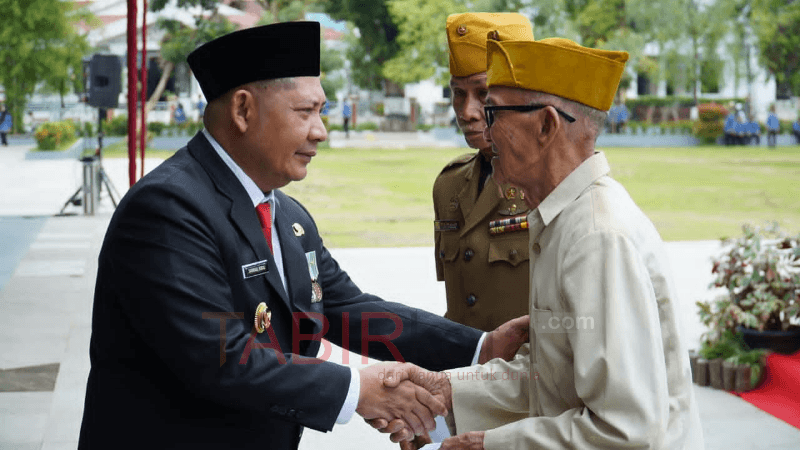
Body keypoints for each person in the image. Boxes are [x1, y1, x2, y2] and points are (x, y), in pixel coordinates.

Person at [77, 22, 529, 450]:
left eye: (322, 111)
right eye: (305, 112)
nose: (321, 131)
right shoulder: (168, 209)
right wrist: (359, 391)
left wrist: (479, 346)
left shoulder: (284, 212)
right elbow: (220, 358)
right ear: (242, 110)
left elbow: (345, 309)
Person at [382, 37, 704, 449]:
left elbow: (625, 430)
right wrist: (447, 393)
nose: (478, 121)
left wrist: (488, 445)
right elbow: (551, 379)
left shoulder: (595, 237)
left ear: (547, 125)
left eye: (493, 110)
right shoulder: (564, 220)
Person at [433, 13, 533, 334]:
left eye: (483, 94)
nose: (467, 112)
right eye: (458, 94)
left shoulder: (552, 184)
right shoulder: (449, 185)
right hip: (468, 373)